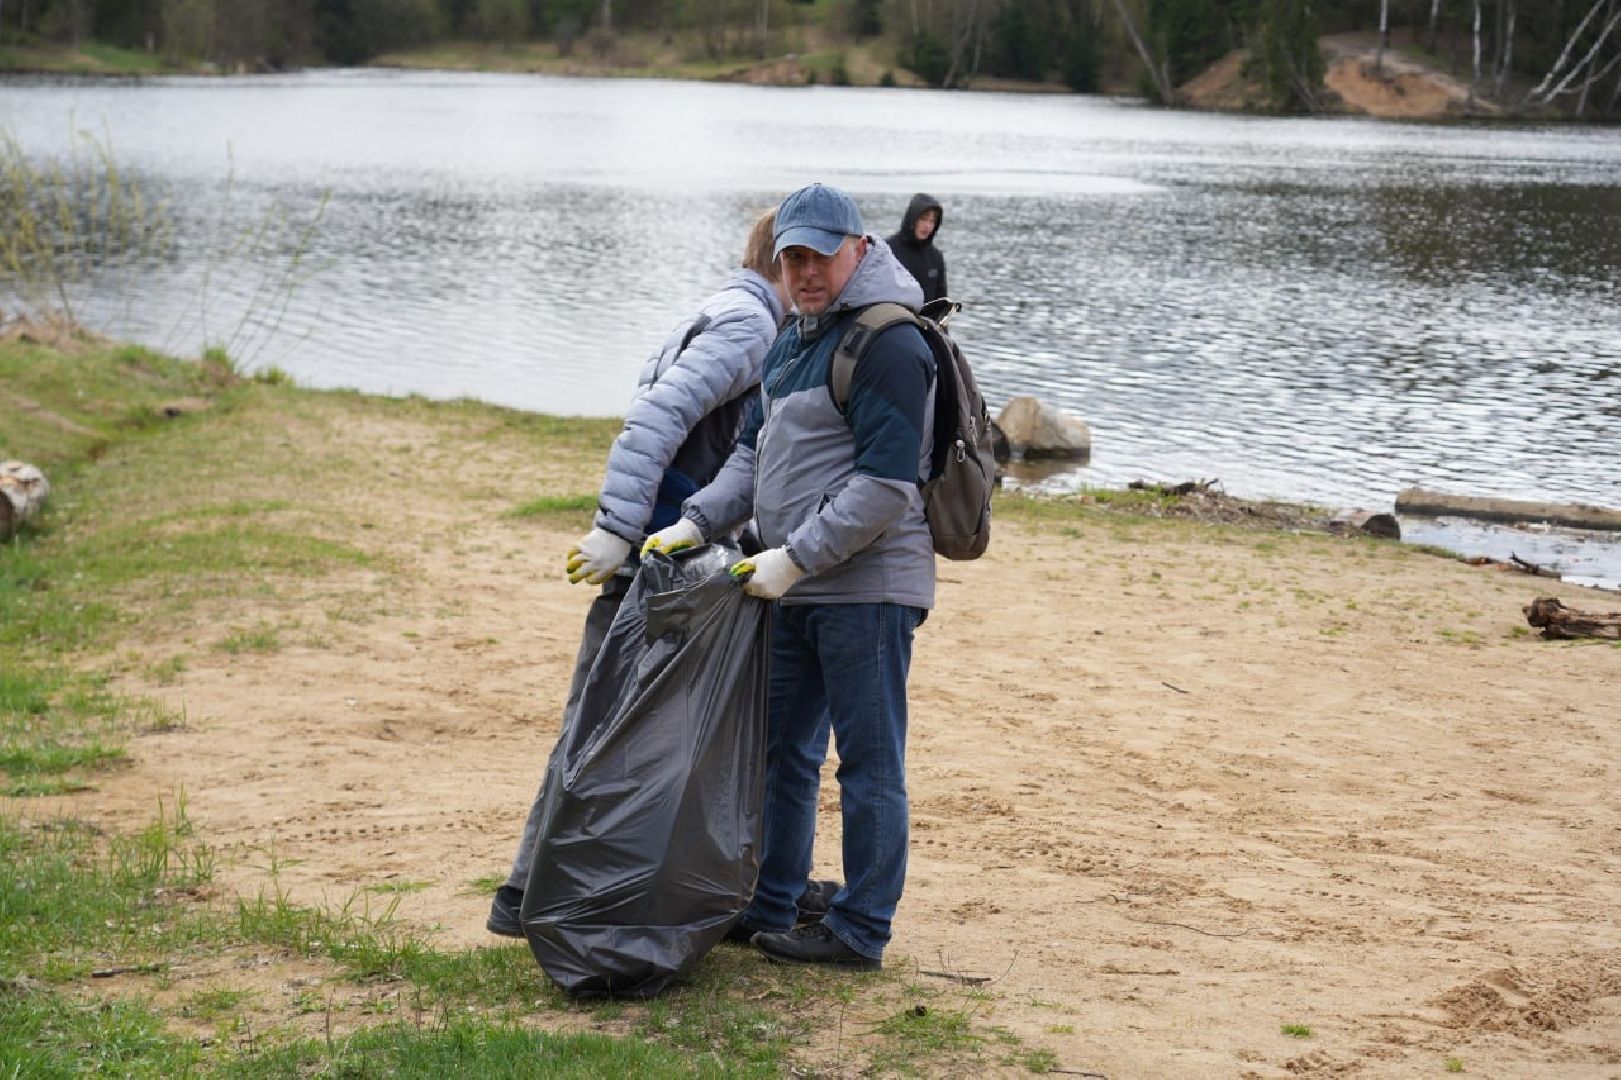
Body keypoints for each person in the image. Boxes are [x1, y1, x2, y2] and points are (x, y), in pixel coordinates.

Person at [643, 183, 936, 971]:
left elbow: (885, 486)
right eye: (792, 258)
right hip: (788, 586)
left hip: (868, 590)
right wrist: (694, 522)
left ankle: (860, 929)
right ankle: (771, 902)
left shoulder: (890, 343)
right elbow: (750, 455)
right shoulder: (792, 339)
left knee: (868, 764)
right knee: (779, 751)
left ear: (859, 250)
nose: (805, 272)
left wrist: (794, 555)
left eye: (819, 256)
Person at [486, 210, 789, 938]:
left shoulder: (724, 309)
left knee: (602, 720)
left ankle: (537, 889)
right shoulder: (750, 328)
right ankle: (532, 893)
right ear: (783, 263)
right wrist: (617, 531)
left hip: (667, 549)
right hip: (663, 560)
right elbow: (656, 418)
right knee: (613, 725)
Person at [887, 193, 947, 305]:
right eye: (923, 219)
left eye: (932, 221)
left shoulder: (936, 257)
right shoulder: (888, 250)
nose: (927, 226)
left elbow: (941, 302)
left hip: (927, 316)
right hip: (894, 314)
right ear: (912, 218)